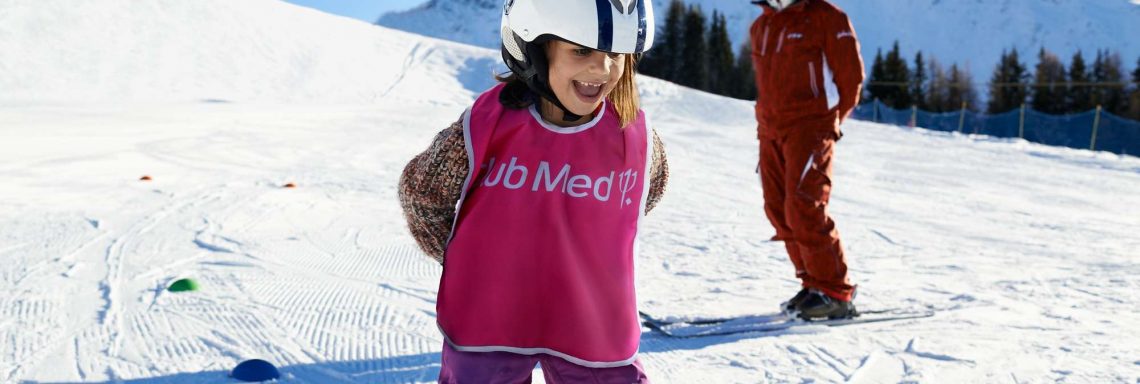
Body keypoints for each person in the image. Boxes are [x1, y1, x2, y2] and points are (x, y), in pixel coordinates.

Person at [398, 0, 668, 381]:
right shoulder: (487, 127)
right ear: (534, 48)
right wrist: (466, 258)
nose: (602, 68)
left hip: (592, 325)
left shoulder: (634, 138)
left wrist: (589, 238)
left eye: (616, 54)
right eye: (581, 50)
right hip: (490, 323)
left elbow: (645, 194)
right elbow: (422, 192)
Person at [749, 0, 865, 319]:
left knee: (804, 203)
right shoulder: (762, 26)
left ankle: (835, 292)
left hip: (811, 126)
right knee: (777, 207)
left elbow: (851, 80)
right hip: (771, 129)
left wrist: (828, 123)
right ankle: (813, 284)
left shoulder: (827, 18)